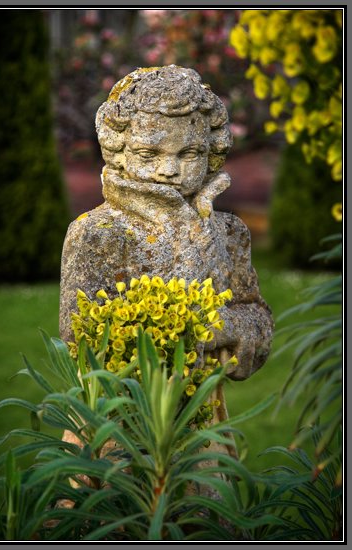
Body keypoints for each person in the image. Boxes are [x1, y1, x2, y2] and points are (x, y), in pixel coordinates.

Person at [60, 65, 273, 387]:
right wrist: (188, 327)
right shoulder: (98, 232)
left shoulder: (228, 231)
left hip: (204, 408)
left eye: (189, 153)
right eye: (148, 153)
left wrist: (228, 325)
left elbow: (257, 317)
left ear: (211, 152)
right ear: (118, 150)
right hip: (126, 411)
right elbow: (81, 336)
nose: (168, 170)